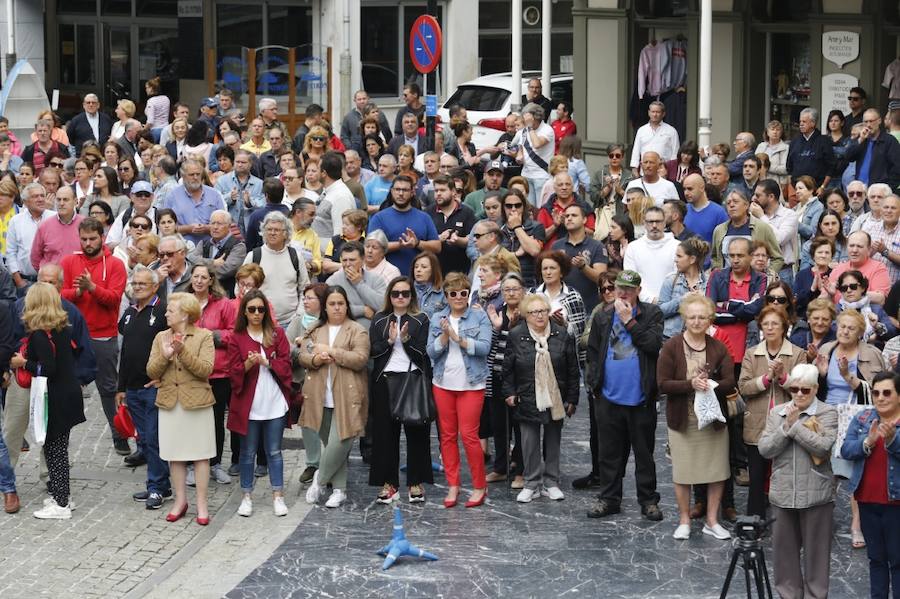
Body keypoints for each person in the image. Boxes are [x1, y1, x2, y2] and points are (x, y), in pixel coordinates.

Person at [585, 270, 665, 521]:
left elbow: (652, 345)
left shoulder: (652, 314)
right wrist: (594, 386)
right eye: (619, 288)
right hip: (608, 398)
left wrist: (630, 321)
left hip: (641, 398)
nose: (622, 293)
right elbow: (593, 352)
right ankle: (609, 498)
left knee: (644, 454)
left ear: (639, 291)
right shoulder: (602, 315)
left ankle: (648, 500)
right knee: (609, 453)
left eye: (628, 289)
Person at [757, 363, 838, 599]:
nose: (799, 394)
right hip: (783, 494)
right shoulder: (777, 413)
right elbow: (764, 448)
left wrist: (795, 427)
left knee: (817, 556)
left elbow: (823, 448)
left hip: (817, 495)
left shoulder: (827, 412)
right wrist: (785, 427)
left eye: (805, 390)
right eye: (795, 389)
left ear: (815, 389)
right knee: (784, 557)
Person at [657, 295, 735, 540]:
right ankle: (684, 520)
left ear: (710, 318)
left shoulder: (718, 347)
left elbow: (730, 381)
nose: (697, 321)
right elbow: (662, 384)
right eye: (692, 316)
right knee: (683, 472)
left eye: (702, 316)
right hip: (684, 420)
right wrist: (690, 384)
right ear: (684, 318)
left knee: (717, 471)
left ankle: (712, 520)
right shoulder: (671, 346)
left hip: (712, 421)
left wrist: (710, 384)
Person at [11, 283, 85, 519]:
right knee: (58, 449)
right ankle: (64, 497)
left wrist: (24, 363)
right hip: (68, 394)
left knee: (54, 451)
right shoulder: (60, 328)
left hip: (56, 397)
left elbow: (47, 369)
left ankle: (61, 505)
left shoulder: (40, 334)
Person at [501, 293, 579, 503]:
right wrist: (509, 393)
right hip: (526, 396)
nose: (539, 316)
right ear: (526, 315)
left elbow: (573, 369)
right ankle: (531, 483)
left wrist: (572, 398)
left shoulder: (562, 334)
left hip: (555, 395)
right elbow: (507, 369)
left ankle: (551, 482)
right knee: (529, 442)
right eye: (534, 312)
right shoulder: (516, 335)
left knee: (553, 440)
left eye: (543, 311)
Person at [146, 292, 216, 525]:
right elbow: (151, 372)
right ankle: (180, 501)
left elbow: (205, 370)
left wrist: (182, 351)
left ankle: (202, 505)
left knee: (200, 456)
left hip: (197, 403)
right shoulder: (160, 337)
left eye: (170, 310)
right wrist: (165, 356)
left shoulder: (204, 336)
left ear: (185, 313)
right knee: (174, 456)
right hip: (169, 402)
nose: (165, 313)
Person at [60, 217, 128, 454]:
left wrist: (92, 289)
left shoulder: (116, 265)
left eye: (92, 238)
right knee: (66, 389)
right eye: (84, 239)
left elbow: (113, 299)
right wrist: (79, 291)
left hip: (103, 336)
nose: (88, 243)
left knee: (108, 389)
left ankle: (119, 433)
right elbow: (59, 295)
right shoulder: (69, 261)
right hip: (72, 335)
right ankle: (59, 441)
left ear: (102, 237)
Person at [299, 286, 370, 508]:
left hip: (347, 395)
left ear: (347, 305)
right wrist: (316, 360)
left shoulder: (357, 330)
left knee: (341, 440)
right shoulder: (316, 329)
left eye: (341, 303)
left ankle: (320, 480)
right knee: (330, 444)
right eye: (332, 304)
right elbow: (302, 356)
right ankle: (339, 490)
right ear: (325, 307)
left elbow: (360, 358)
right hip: (320, 394)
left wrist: (331, 351)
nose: (337, 308)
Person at [426, 272, 492, 508]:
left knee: (470, 436)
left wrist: (459, 339)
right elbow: (431, 352)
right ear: (446, 295)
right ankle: (453, 484)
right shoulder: (437, 318)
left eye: (463, 293)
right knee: (447, 436)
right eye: (453, 293)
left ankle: (478, 485)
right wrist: (445, 337)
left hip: (471, 384)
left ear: (468, 294)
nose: (458, 297)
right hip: (443, 383)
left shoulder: (479, 316)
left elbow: (484, 348)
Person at [226, 289, 292, 518]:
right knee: (247, 452)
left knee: (274, 451)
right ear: (244, 311)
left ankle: (278, 495)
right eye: (252, 309)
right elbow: (232, 374)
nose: (256, 313)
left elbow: (286, 367)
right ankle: (246, 495)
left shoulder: (277, 334)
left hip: (273, 402)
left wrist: (267, 362)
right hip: (249, 404)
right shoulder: (237, 337)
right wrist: (247, 364)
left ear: (266, 311)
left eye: (260, 309)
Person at [368, 277, 433, 504]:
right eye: (396, 293)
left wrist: (405, 341)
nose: (400, 298)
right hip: (384, 380)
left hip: (412, 379)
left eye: (405, 293)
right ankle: (389, 482)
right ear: (389, 296)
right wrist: (388, 341)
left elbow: (423, 353)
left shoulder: (421, 318)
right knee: (385, 436)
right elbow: (373, 351)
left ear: (412, 296)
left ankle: (416, 482)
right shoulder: (379, 319)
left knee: (416, 432)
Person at [738, 304, 808, 518]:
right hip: (757, 424)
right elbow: (744, 387)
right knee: (756, 477)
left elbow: (803, 389)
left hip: (786, 424)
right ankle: (755, 521)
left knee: (785, 475)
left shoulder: (797, 354)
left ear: (784, 327)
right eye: (765, 324)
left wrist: (784, 377)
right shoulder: (752, 354)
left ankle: (786, 522)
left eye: (775, 324)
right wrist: (767, 379)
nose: (770, 328)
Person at [841, 371, 900, 599]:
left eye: (887, 392)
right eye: (876, 393)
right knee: (876, 559)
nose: (880, 397)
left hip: (896, 503)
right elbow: (846, 449)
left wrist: (892, 439)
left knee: (897, 561)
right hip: (866, 501)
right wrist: (867, 442)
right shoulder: (863, 418)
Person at [116, 265, 171, 509]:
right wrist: (121, 387)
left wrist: (163, 377)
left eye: (142, 284)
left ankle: (157, 488)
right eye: (135, 284)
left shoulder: (162, 311)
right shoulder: (128, 313)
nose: (137, 287)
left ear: (155, 286)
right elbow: (126, 352)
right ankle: (159, 484)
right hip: (133, 388)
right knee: (144, 439)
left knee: (152, 439)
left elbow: (173, 347)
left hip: (153, 387)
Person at [189, 264, 237, 486]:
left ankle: (215, 463)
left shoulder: (223, 305)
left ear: (211, 280)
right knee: (192, 420)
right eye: (196, 276)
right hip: (190, 372)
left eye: (203, 277)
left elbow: (234, 334)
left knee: (215, 420)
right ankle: (191, 463)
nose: (199, 280)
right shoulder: (184, 302)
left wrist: (210, 335)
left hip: (218, 372)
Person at [242, 211, 310, 328]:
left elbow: (305, 289)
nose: (272, 233)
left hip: (290, 323)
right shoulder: (254, 256)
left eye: (277, 230)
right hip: (260, 323)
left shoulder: (295, 257)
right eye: (269, 229)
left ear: (286, 234)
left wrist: (299, 315)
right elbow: (240, 289)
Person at [367, 175, 441, 275]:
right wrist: (399, 245)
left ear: (412, 193)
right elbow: (370, 248)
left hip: (419, 280)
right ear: (392, 191)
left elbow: (437, 247)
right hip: (387, 278)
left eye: (405, 190)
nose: (401, 193)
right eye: (397, 189)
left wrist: (417, 243)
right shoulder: (379, 218)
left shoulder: (424, 217)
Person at [187, 209, 247, 298]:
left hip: (224, 295)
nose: (215, 227)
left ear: (229, 226)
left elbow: (226, 270)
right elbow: (190, 260)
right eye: (213, 223)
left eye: (219, 224)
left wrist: (201, 274)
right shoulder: (204, 243)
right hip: (201, 294)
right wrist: (212, 262)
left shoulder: (238, 246)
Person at [658, 237, 710, 339]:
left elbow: (713, 313)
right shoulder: (670, 280)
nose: (675, 260)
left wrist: (703, 300)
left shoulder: (708, 282)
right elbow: (660, 312)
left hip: (700, 339)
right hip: (670, 339)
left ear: (692, 259)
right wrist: (681, 301)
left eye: (679, 256)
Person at [750, 179, 799, 283]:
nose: (754, 198)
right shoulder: (753, 215)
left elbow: (778, 239)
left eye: (758, 196)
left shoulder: (789, 215)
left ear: (771, 197)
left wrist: (761, 216)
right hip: (757, 271)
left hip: (782, 272)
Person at [836, 270, 897, 346]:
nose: (848, 290)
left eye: (853, 287)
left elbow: (892, 334)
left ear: (862, 288)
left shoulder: (875, 309)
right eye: (844, 288)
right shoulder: (836, 310)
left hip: (872, 351)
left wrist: (877, 326)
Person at [829, 230, 892, 304]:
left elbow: (880, 299)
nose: (854, 250)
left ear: (869, 250)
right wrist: (828, 294)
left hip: (866, 314)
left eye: (859, 246)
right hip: (838, 313)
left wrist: (855, 293)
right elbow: (824, 299)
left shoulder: (878, 268)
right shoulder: (838, 268)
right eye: (851, 246)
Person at [844, 108, 900, 190]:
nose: (868, 125)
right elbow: (848, 156)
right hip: (861, 191)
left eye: (871, 121)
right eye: (866, 122)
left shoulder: (889, 141)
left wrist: (889, 188)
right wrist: (860, 140)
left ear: (879, 121)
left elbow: (897, 168)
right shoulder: (861, 140)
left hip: (879, 192)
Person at [29, 186, 83, 271]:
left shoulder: (85, 224)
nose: (61, 203)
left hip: (78, 280)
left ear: (75, 201)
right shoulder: (44, 226)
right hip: (51, 281)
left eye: (65, 199)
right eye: (58, 200)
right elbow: (35, 257)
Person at [500, 190, 545, 287]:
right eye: (509, 206)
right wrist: (515, 254)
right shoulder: (498, 228)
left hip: (528, 283)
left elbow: (534, 251)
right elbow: (493, 258)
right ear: (503, 208)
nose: (513, 209)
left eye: (517, 205)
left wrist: (517, 227)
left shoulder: (536, 227)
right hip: (503, 283)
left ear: (523, 206)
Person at [215, 149, 264, 235]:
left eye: (243, 162)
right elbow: (215, 203)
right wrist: (229, 198)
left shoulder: (259, 183)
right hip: (229, 229)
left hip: (252, 229)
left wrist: (250, 203)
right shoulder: (222, 181)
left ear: (250, 164)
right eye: (237, 162)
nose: (240, 165)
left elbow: (264, 205)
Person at [787, 108, 836, 189]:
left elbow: (831, 167)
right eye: (800, 122)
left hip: (817, 189)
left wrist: (823, 187)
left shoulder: (824, 141)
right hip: (796, 189)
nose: (801, 124)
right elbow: (789, 167)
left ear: (813, 123)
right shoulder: (794, 142)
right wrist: (791, 187)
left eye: (804, 122)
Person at [517, 103, 555, 207]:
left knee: (541, 209)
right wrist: (519, 156)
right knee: (527, 208)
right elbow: (521, 146)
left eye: (527, 119)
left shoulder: (547, 130)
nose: (525, 122)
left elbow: (537, 144)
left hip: (542, 176)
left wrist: (530, 128)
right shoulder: (525, 130)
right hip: (526, 175)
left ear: (536, 117)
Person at [630, 101, 680, 176]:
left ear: (663, 114)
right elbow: (636, 150)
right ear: (649, 113)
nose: (655, 114)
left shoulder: (671, 131)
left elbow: (675, 153)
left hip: (663, 172)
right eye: (653, 112)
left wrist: (671, 171)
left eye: (658, 112)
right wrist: (634, 168)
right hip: (645, 171)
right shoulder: (642, 130)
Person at [412, 251, 446, 319]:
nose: (418, 270)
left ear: (433, 270)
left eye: (424, 267)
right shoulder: (407, 291)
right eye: (416, 267)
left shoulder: (443, 293)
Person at [756, 120, 791, 187]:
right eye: (772, 129)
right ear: (767, 132)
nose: (775, 132)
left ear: (781, 133)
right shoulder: (761, 146)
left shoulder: (786, 148)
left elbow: (785, 169)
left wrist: (766, 167)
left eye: (778, 130)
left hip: (779, 184)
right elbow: (755, 163)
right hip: (760, 181)